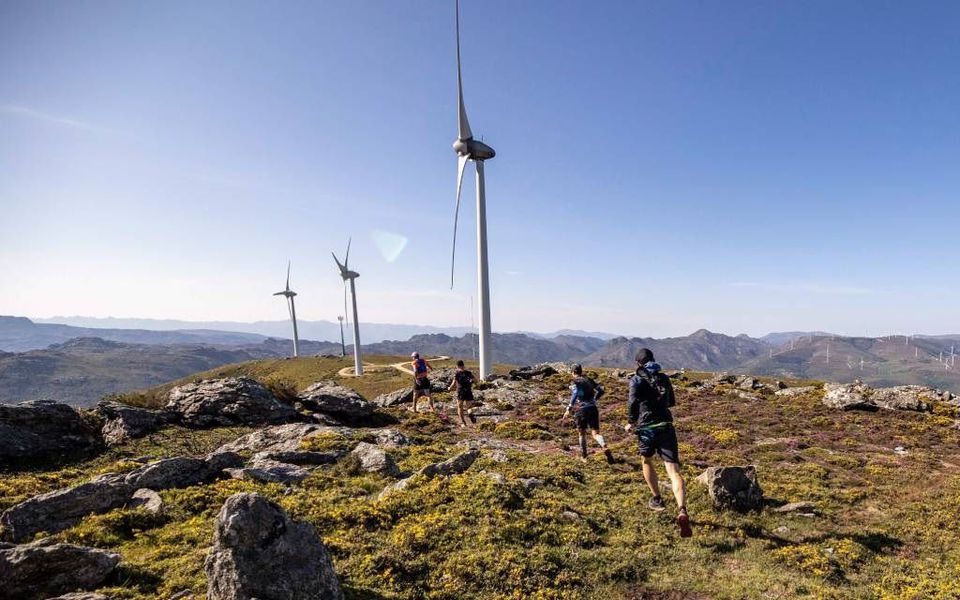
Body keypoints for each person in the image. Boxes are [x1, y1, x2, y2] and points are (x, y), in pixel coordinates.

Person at [624, 348, 692, 538]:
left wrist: (631, 422)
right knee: (674, 471)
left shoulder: (636, 379)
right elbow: (670, 402)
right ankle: (682, 509)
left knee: (646, 461)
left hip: (646, 429)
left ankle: (657, 499)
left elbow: (632, 403)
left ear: (638, 363)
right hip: (666, 427)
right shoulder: (664, 378)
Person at [561, 364, 614, 464]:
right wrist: (594, 399)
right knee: (596, 433)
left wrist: (569, 408)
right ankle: (604, 446)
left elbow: (575, 393)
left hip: (581, 409)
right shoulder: (589, 379)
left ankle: (584, 456)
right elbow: (601, 390)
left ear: (573, 372)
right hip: (593, 408)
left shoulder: (575, 382)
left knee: (582, 433)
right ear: (581, 371)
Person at [448, 359, 477, 427]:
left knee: (460, 407)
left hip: (460, 391)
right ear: (463, 365)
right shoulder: (468, 373)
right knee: (469, 407)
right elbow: (476, 380)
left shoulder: (457, 373)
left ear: (457, 366)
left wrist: (449, 388)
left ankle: (463, 422)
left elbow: (453, 383)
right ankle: (470, 414)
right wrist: (471, 381)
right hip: (468, 391)